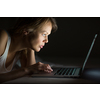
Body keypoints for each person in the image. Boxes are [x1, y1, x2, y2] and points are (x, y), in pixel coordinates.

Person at [0, 17, 58, 83]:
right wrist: (26, 70)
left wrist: (30, 46)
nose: (46, 40)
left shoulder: (23, 48)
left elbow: (31, 71)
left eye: (47, 35)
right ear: (26, 31)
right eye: (44, 34)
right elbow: (28, 69)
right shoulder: (2, 37)